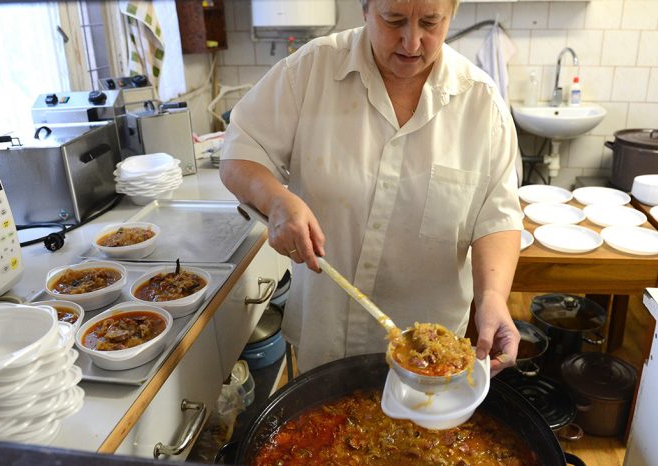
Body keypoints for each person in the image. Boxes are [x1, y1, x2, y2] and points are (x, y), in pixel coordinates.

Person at [219, 0, 523, 376]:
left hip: (430, 359)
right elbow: (238, 156)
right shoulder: (310, 71)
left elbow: (497, 216)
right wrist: (277, 200)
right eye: (393, 20)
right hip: (325, 339)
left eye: (430, 22)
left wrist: (492, 298)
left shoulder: (481, 103)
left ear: (453, 14)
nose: (412, 42)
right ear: (365, 9)